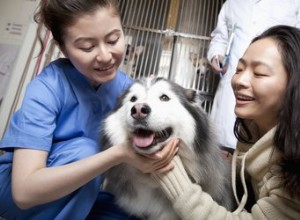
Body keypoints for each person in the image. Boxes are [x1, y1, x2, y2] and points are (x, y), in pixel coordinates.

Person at [0, 0, 178, 219]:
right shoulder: (47, 87)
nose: (105, 56)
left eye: (113, 40)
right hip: (25, 193)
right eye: (87, 47)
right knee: (86, 150)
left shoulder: (127, 89)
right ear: (62, 46)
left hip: (85, 188)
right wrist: (119, 154)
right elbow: (24, 192)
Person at [152, 25, 300, 219]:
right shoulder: (253, 130)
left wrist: (167, 169)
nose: (239, 80)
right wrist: (230, 164)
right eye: (239, 69)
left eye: (259, 73)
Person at [207, 0, 300, 152]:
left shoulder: (294, 3)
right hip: (229, 98)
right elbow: (220, 37)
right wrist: (216, 55)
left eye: (259, 72)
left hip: (272, 106)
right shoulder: (232, 3)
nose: (242, 80)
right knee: (223, 151)